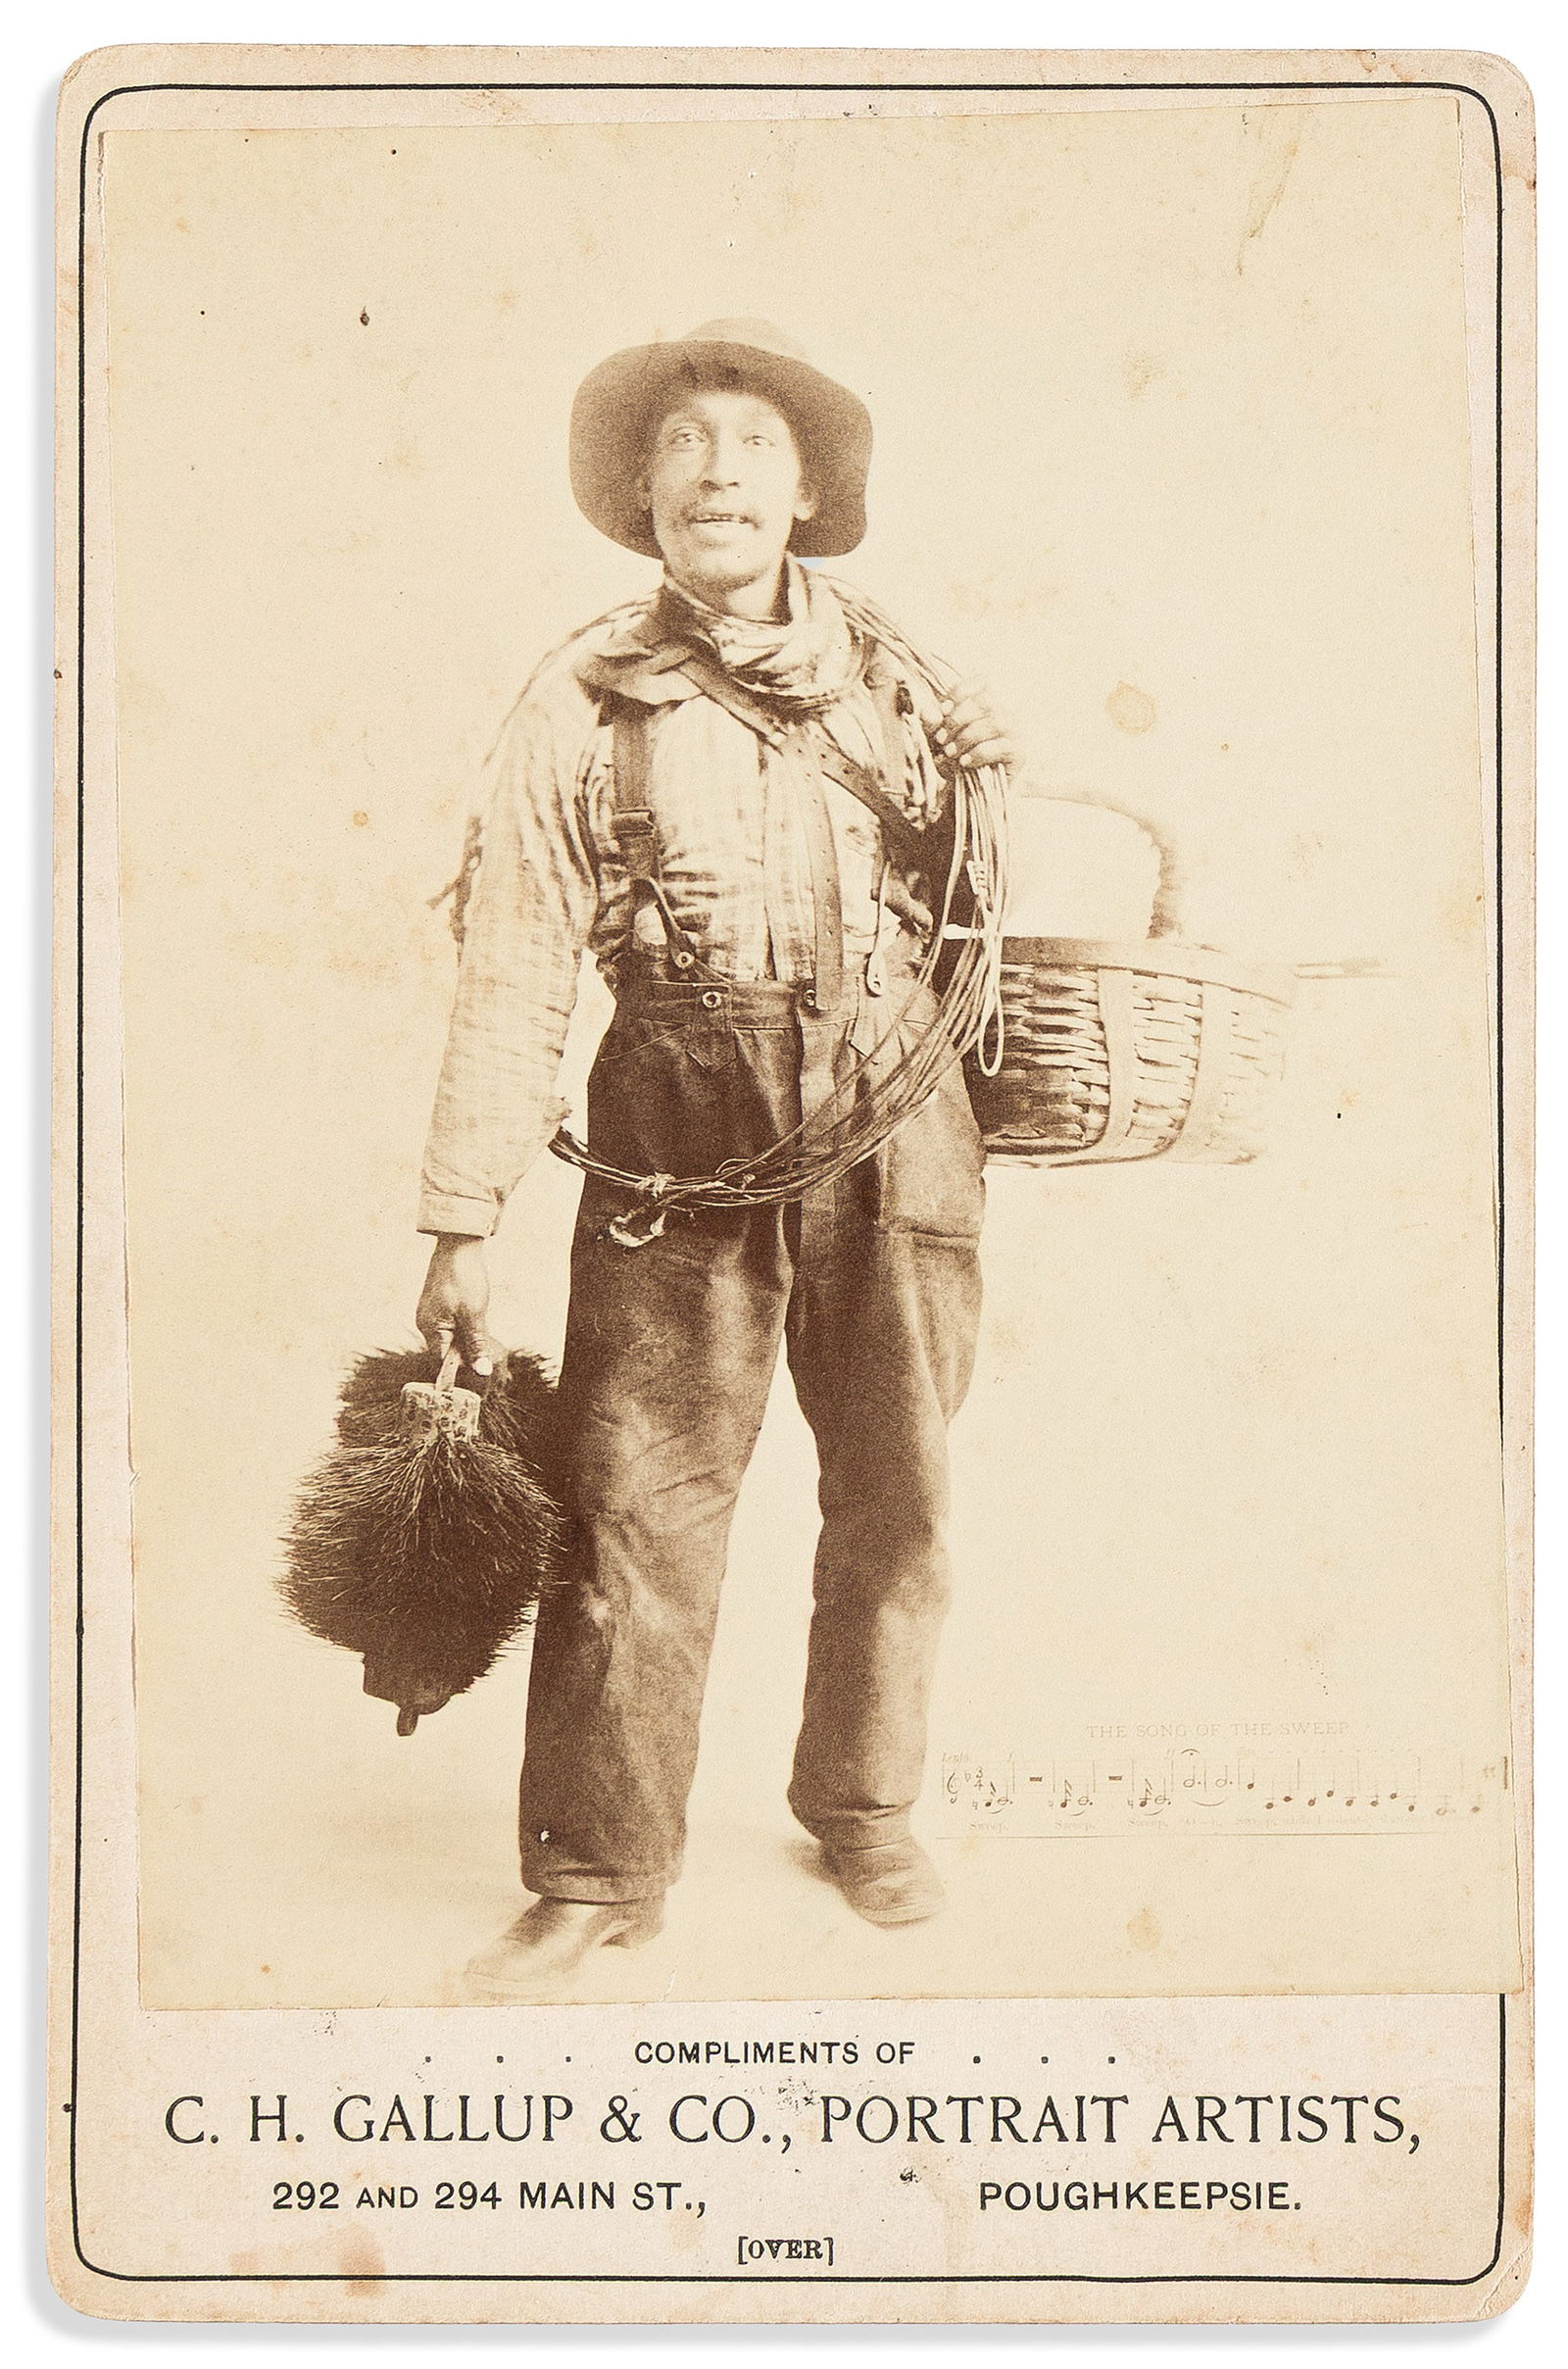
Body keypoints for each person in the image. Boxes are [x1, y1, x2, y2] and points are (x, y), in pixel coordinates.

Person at [415, 321, 1011, 1998]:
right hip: (677, 1120)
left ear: (810, 491)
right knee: (627, 1501)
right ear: (643, 495)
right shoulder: (581, 694)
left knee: (899, 1488)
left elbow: (986, 910)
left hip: (898, 1120)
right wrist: (462, 1217)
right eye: (683, 447)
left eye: (752, 442)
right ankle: (601, 1866)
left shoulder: (914, 693)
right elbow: (518, 955)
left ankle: (865, 1799)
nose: (717, 471)